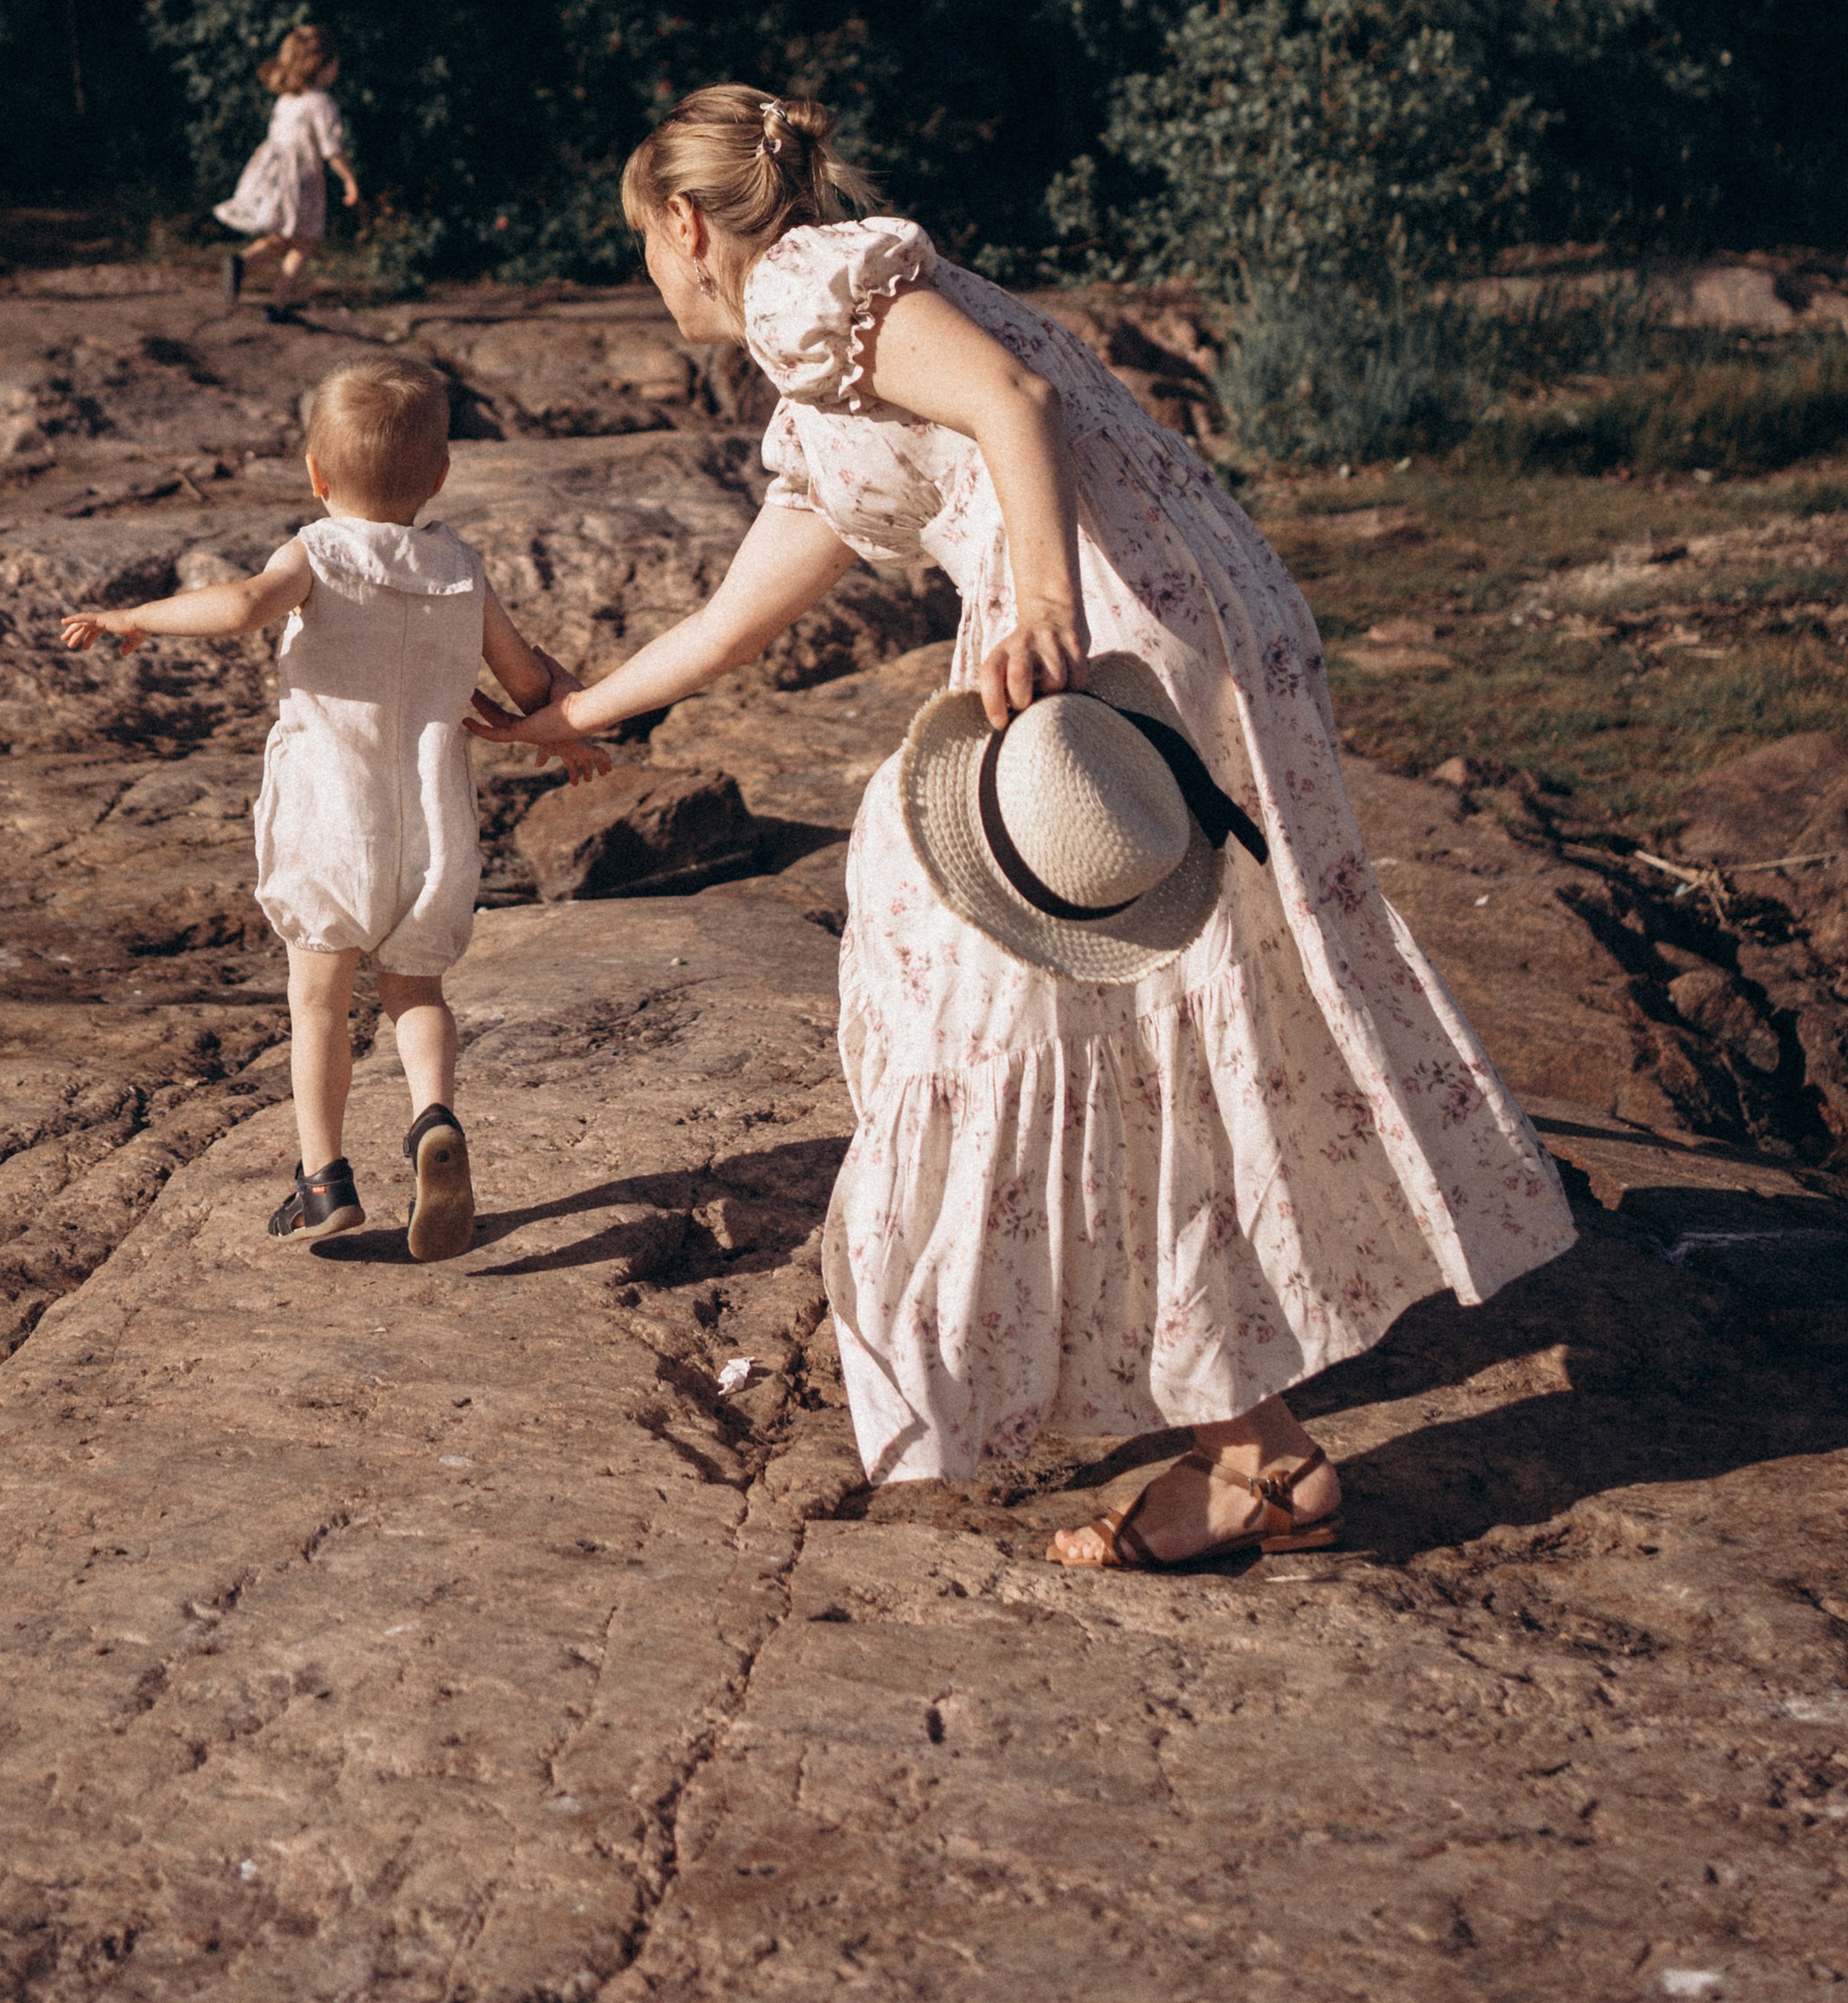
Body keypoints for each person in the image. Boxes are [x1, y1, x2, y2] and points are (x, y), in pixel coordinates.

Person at [469, 83, 1576, 1566]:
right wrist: (578, 715)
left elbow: (1014, 403)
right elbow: (744, 611)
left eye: (642, 248)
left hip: (1114, 623)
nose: (651, 281)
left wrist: (1042, 600)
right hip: (1192, 611)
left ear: (684, 223)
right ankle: (1242, 1429)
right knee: (1113, 1006)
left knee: (1040, 1004)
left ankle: (1248, 1451)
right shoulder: (836, 363)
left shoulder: (802, 283)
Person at [60, 348, 606, 1257]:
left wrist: (137, 616)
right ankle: (434, 1115)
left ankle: (322, 1181)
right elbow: (524, 679)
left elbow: (242, 606)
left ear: (315, 475)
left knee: (318, 1002)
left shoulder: (317, 551)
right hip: (433, 827)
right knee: (416, 988)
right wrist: (568, 735)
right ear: (440, 475)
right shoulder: (460, 567)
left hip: (332, 821)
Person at [215, 23, 361, 306]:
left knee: (282, 238)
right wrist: (349, 179)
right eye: (334, 64)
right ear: (320, 65)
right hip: (303, 181)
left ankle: (242, 263)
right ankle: (277, 302)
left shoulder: (286, 99)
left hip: (274, 178)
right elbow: (331, 150)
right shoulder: (321, 103)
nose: (337, 70)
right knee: (305, 242)